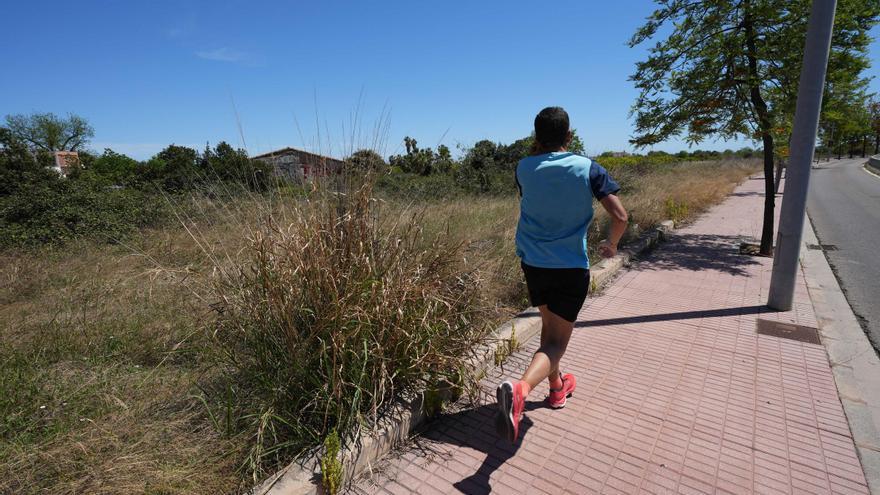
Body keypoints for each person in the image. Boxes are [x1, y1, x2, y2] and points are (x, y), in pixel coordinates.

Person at [496, 106, 629, 443]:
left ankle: (557, 387)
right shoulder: (588, 168)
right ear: (569, 136)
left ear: (536, 137)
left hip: (534, 264)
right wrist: (611, 245)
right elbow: (621, 216)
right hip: (570, 267)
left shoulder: (523, 168)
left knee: (548, 332)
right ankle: (521, 390)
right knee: (556, 342)